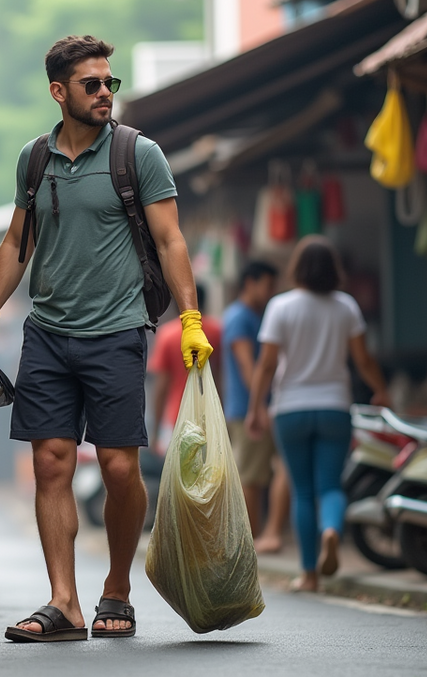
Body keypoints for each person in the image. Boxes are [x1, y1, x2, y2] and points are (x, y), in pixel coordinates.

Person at [0, 35, 212, 642]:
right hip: (46, 333)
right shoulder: (34, 159)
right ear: (58, 92)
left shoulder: (137, 154)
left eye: (110, 83)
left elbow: (172, 240)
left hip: (118, 330)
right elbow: (18, 241)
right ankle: (65, 603)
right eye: (91, 84)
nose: (105, 93)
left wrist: (191, 319)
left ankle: (117, 591)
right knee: (51, 463)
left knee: (123, 469)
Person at [246, 236, 388, 593]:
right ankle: (331, 531)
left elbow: (266, 365)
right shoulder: (346, 307)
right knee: (330, 486)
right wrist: (381, 389)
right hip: (334, 406)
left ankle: (309, 575)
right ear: (333, 269)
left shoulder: (280, 306)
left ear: (297, 268)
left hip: (290, 409)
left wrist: (255, 408)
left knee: (303, 491)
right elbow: (364, 360)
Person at [221, 261, 290, 553]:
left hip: (253, 406)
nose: (272, 291)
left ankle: (263, 535)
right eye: (268, 284)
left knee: (266, 472)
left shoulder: (250, 316)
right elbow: (247, 365)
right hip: (247, 409)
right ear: (250, 282)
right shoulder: (239, 317)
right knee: (251, 477)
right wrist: (258, 406)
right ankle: (252, 540)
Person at [149, 284, 222, 453]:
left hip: (177, 419)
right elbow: (220, 377)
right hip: (210, 418)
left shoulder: (168, 334)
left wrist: (155, 432)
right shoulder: (216, 331)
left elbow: (162, 386)